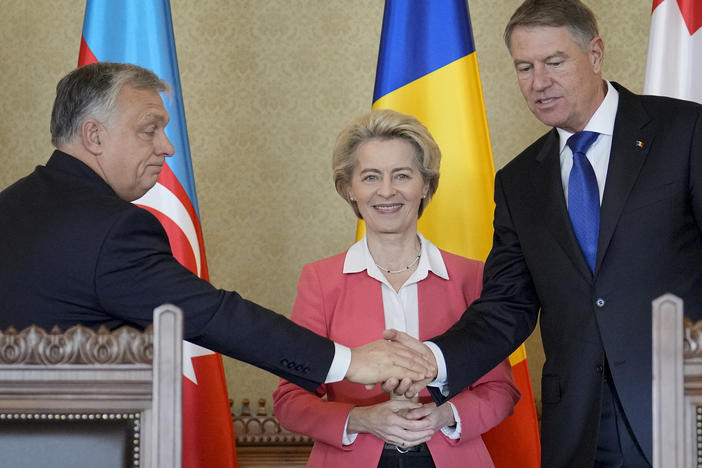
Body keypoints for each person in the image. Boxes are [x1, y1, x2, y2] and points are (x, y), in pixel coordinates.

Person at [385, 1, 702, 467]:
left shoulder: (685, 131)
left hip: (685, 407)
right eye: (524, 67)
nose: (538, 82)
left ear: (595, 54)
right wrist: (435, 360)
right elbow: (506, 306)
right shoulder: (518, 181)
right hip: (579, 422)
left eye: (554, 62)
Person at [0, 62, 437, 396]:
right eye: (150, 130)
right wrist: (348, 363)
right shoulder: (113, 229)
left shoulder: (10, 205)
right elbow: (213, 314)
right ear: (94, 135)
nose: (167, 148)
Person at [272, 109, 520, 468]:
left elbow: (501, 391)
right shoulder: (320, 281)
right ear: (349, 189)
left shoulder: (474, 277)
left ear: (426, 185)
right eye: (370, 177)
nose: (386, 191)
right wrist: (362, 419)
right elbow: (289, 399)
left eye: (401, 175)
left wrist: (444, 416)